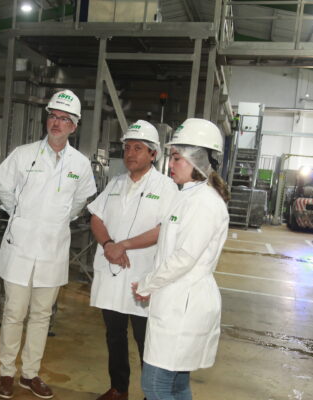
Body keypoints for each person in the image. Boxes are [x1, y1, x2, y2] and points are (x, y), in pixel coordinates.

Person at [0, 89, 97, 399]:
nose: (56, 122)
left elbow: (80, 201)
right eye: (53, 116)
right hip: (20, 246)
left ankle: (30, 374)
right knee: (14, 312)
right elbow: (4, 189)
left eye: (64, 119)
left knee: (41, 315)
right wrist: (21, 216)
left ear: (74, 126)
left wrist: (55, 221)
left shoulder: (80, 164)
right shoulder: (24, 154)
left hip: (53, 247)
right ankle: (6, 372)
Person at [131, 118, 230, 400]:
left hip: (184, 306)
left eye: (177, 158)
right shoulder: (187, 195)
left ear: (197, 160)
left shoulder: (204, 202)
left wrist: (147, 284)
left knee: (155, 387)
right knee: (175, 386)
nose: (170, 164)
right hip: (176, 300)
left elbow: (184, 257)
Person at [88, 121, 178, 400]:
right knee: (114, 335)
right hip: (112, 273)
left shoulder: (166, 187)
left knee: (146, 339)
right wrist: (108, 245)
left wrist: (123, 245)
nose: (130, 153)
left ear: (153, 154)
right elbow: (96, 217)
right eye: (127, 148)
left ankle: (152, 393)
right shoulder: (115, 183)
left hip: (143, 277)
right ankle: (119, 388)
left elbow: (165, 229)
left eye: (138, 148)